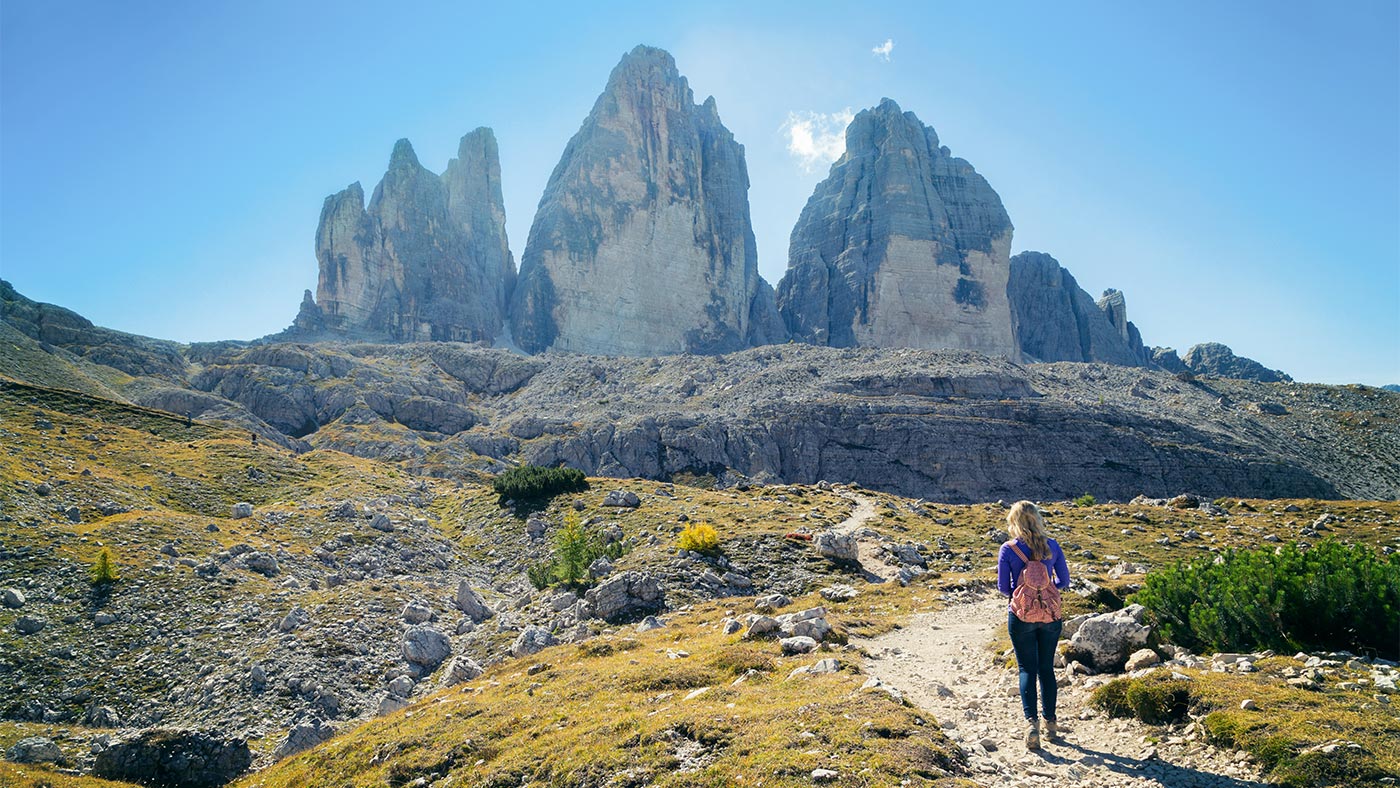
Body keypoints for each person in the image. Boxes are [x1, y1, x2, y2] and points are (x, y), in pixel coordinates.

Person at [998, 500, 1071, 750]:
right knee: (1046, 669)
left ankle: (1032, 725)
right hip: (1050, 616)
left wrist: (1023, 593)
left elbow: (1003, 587)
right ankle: (1051, 724)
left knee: (1026, 669)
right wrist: (1046, 590)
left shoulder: (1008, 549)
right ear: (1037, 519)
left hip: (1021, 616)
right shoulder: (1052, 545)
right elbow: (1064, 580)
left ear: (1014, 521)